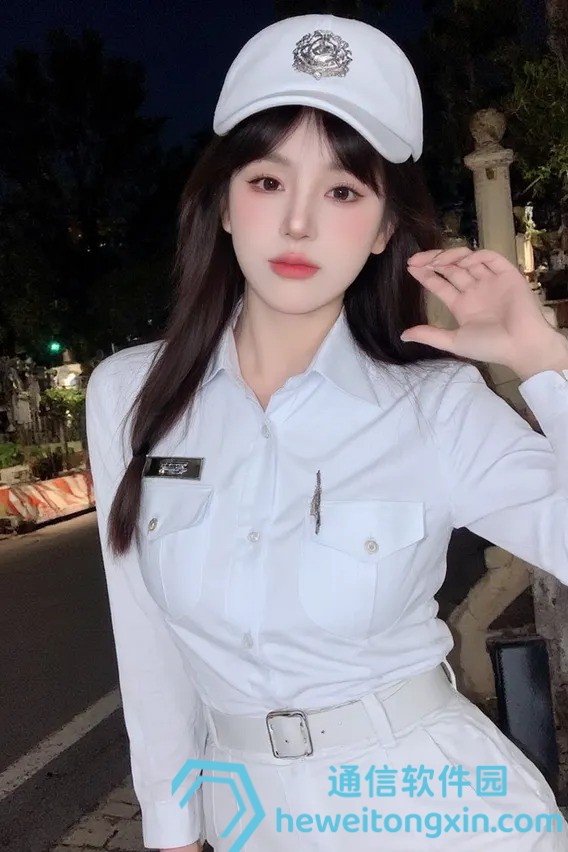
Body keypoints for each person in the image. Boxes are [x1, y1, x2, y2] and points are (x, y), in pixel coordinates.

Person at [85, 13, 568, 852]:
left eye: (343, 191)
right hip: (246, 816)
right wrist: (170, 826)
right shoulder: (132, 394)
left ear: (383, 229)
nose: (299, 223)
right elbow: (148, 639)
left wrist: (543, 359)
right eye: (268, 182)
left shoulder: (435, 406)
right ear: (224, 204)